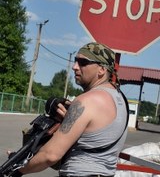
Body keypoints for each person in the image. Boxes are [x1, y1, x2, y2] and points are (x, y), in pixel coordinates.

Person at [14, 42, 129, 177]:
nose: (75, 67)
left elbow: (50, 155)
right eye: (75, 61)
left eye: (83, 62)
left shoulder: (87, 101)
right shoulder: (121, 99)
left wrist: (17, 169)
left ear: (102, 70)